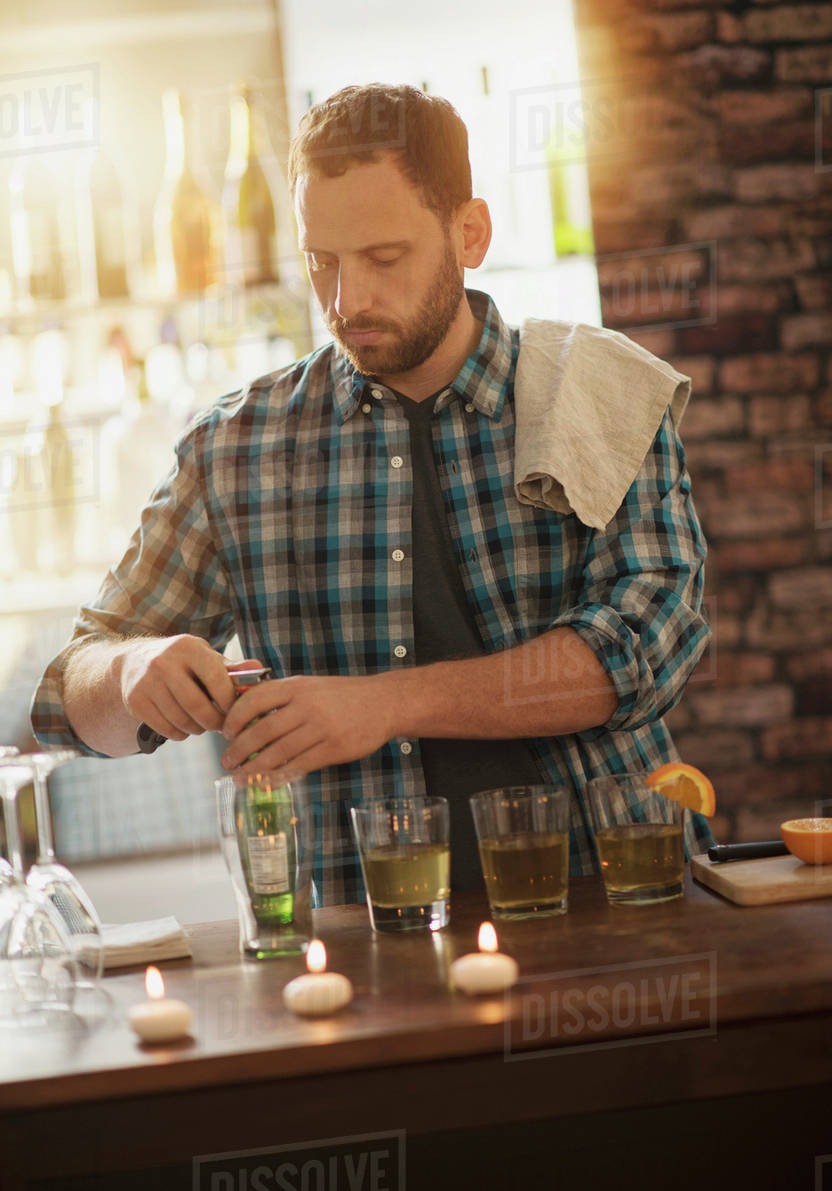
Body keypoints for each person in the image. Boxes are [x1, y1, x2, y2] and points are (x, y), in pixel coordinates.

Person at [31, 83, 713, 905]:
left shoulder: (596, 394)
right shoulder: (235, 448)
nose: (346, 302)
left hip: (613, 897)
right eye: (322, 262)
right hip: (362, 941)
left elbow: (647, 647)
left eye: (383, 259)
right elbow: (69, 699)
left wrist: (384, 705)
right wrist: (133, 665)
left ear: (470, 233)